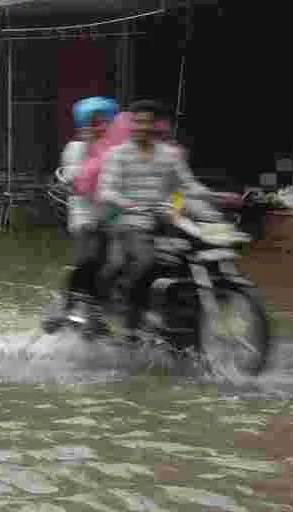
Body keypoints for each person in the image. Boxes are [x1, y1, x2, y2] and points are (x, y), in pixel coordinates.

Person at [98, 99, 217, 340]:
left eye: (148, 122)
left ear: (156, 126)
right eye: (138, 122)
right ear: (132, 125)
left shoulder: (170, 155)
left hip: (166, 216)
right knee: (146, 261)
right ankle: (131, 312)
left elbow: (187, 185)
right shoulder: (117, 155)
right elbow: (106, 191)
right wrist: (128, 204)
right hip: (130, 220)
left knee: (200, 250)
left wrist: (213, 195)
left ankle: (184, 314)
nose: (143, 127)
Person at [44, 96, 121, 335]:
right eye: (92, 122)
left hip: (116, 212)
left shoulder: (119, 149)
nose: (98, 127)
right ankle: (69, 304)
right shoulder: (76, 149)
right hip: (84, 211)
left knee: (117, 260)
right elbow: (73, 181)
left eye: (103, 121)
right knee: (90, 255)